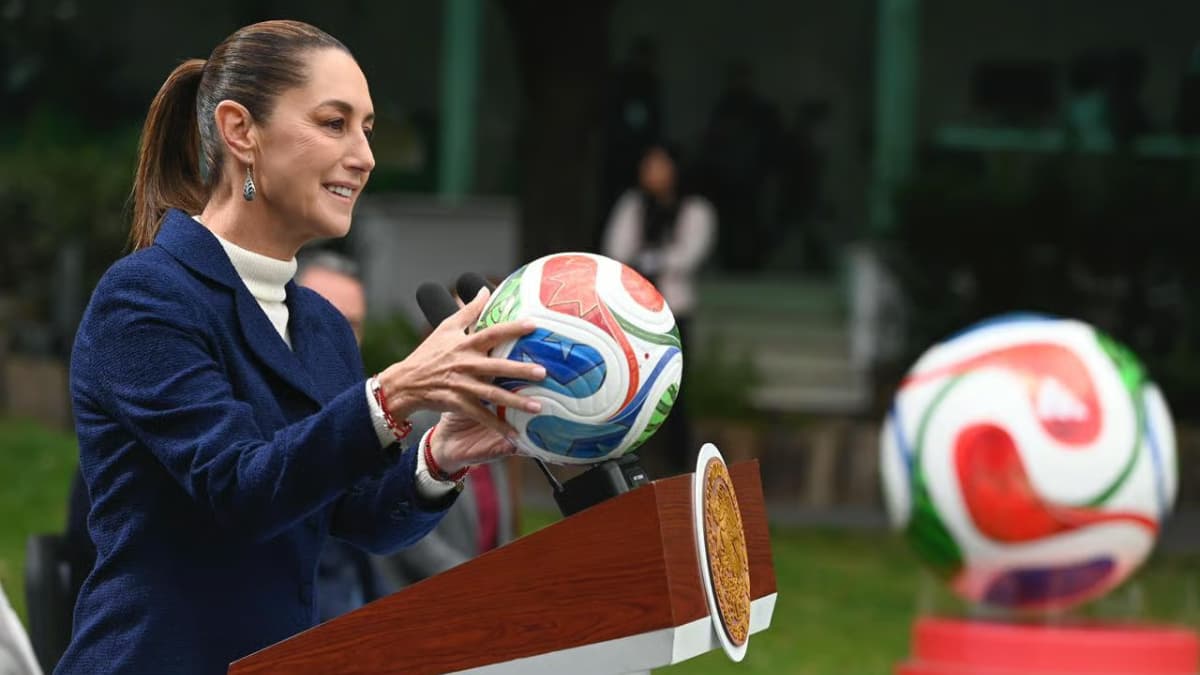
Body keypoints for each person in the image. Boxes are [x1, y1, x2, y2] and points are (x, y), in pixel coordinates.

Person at [57, 20, 545, 675]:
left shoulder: (319, 323)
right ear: (240, 131)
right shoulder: (144, 296)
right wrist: (394, 393)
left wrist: (439, 455)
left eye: (367, 128)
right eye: (334, 122)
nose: (365, 156)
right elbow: (240, 489)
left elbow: (358, 518)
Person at [602, 143, 716, 474]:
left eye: (660, 166)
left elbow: (689, 255)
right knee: (634, 384)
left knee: (674, 390)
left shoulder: (695, 210)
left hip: (675, 311)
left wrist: (653, 259)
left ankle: (677, 465)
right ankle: (635, 462)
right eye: (648, 166)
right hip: (635, 310)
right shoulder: (633, 206)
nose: (653, 174)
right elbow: (616, 249)